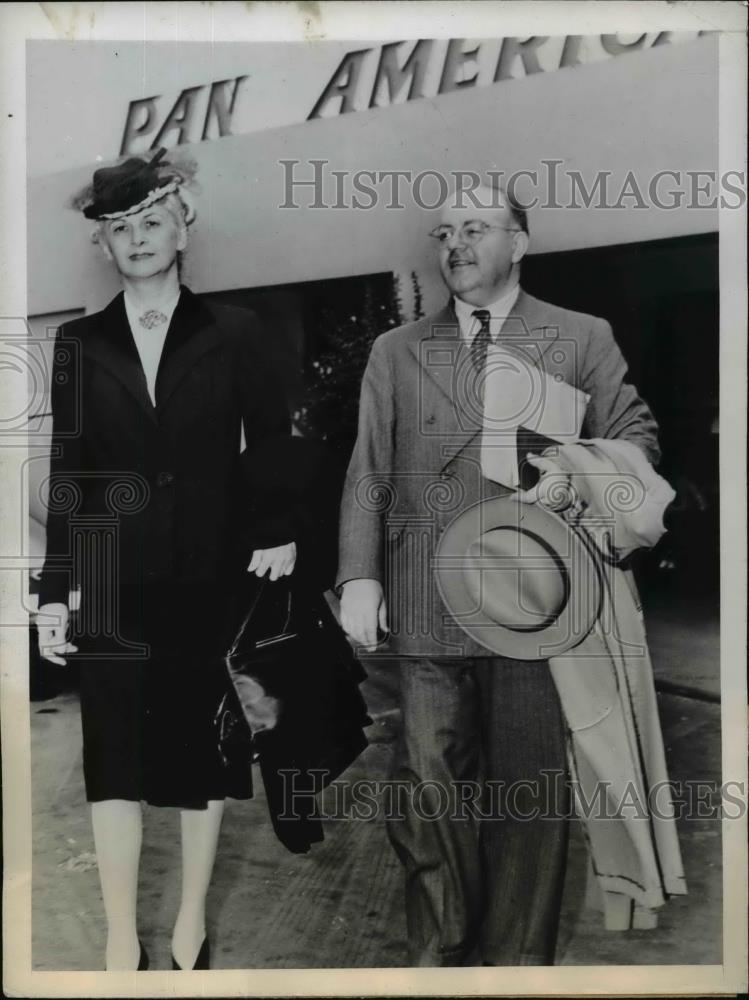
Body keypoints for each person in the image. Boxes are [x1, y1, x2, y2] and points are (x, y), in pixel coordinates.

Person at [337, 182, 661, 966]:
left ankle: (516, 970)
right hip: (424, 599)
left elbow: (636, 442)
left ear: (519, 242)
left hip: (534, 605)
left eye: (475, 229)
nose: (455, 244)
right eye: (442, 231)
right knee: (427, 793)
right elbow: (368, 470)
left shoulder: (580, 335)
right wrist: (359, 576)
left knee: (531, 801)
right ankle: (438, 961)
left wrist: (571, 474)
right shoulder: (397, 349)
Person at [36, 149, 296, 972]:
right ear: (102, 248)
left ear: (184, 226)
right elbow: (70, 472)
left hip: (207, 575)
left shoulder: (237, 333)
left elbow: (272, 444)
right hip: (112, 579)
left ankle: (188, 920)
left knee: (199, 752)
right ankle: (121, 932)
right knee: (112, 754)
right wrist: (55, 592)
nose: (138, 239)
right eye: (119, 229)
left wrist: (279, 529)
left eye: (151, 221)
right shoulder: (79, 343)